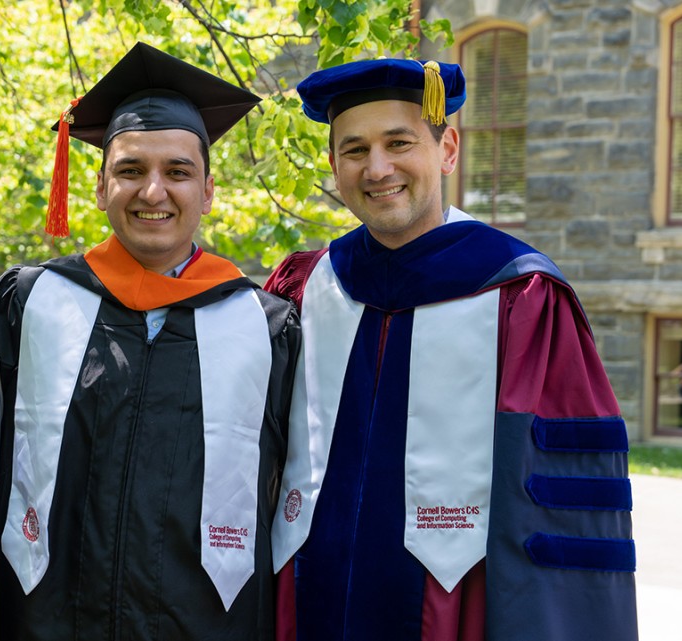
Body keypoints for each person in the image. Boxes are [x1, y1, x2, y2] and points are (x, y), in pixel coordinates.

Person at [265, 59, 638, 641]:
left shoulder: (520, 296)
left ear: (448, 149)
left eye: (399, 142)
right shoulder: (304, 288)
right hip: (304, 602)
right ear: (333, 164)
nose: (377, 167)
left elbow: (560, 514)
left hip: (454, 612)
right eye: (355, 149)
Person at [0, 43, 300, 641]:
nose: (154, 192)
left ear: (208, 192)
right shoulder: (31, 303)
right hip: (47, 619)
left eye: (178, 171)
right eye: (130, 170)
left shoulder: (266, 326)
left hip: (206, 623)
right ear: (99, 188)